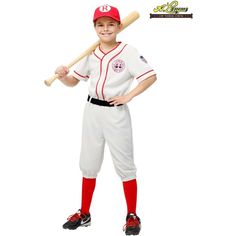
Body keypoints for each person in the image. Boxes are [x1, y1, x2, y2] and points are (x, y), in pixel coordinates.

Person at [55, 4, 157, 235]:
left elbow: (150, 76)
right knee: (88, 163)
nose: (106, 28)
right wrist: (63, 77)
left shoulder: (128, 51)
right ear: (95, 28)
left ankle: (132, 214)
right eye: (100, 24)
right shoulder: (91, 53)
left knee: (125, 165)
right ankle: (84, 213)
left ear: (119, 26)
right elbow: (73, 82)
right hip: (91, 111)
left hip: (115, 112)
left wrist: (128, 96)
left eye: (111, 24)